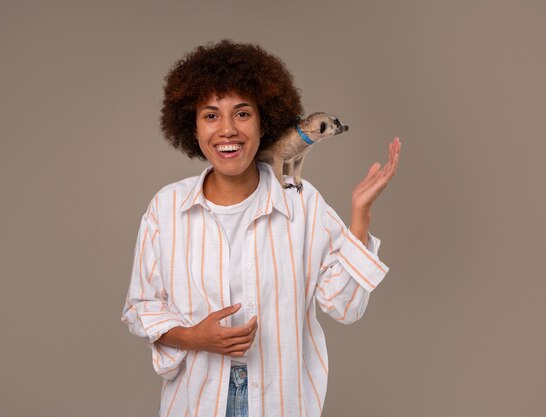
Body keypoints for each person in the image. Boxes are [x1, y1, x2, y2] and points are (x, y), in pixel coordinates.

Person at [121, 39, 401, 417]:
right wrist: (194, 338)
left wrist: (360, 215)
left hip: (282, 402)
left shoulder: (300, 203)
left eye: (242, 114)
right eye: (210, 115)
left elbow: (345, 306)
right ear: (191, 125)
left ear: (264, 120)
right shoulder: (166, 209)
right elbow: (142, 307)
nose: (227, 130)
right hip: (197, 402)